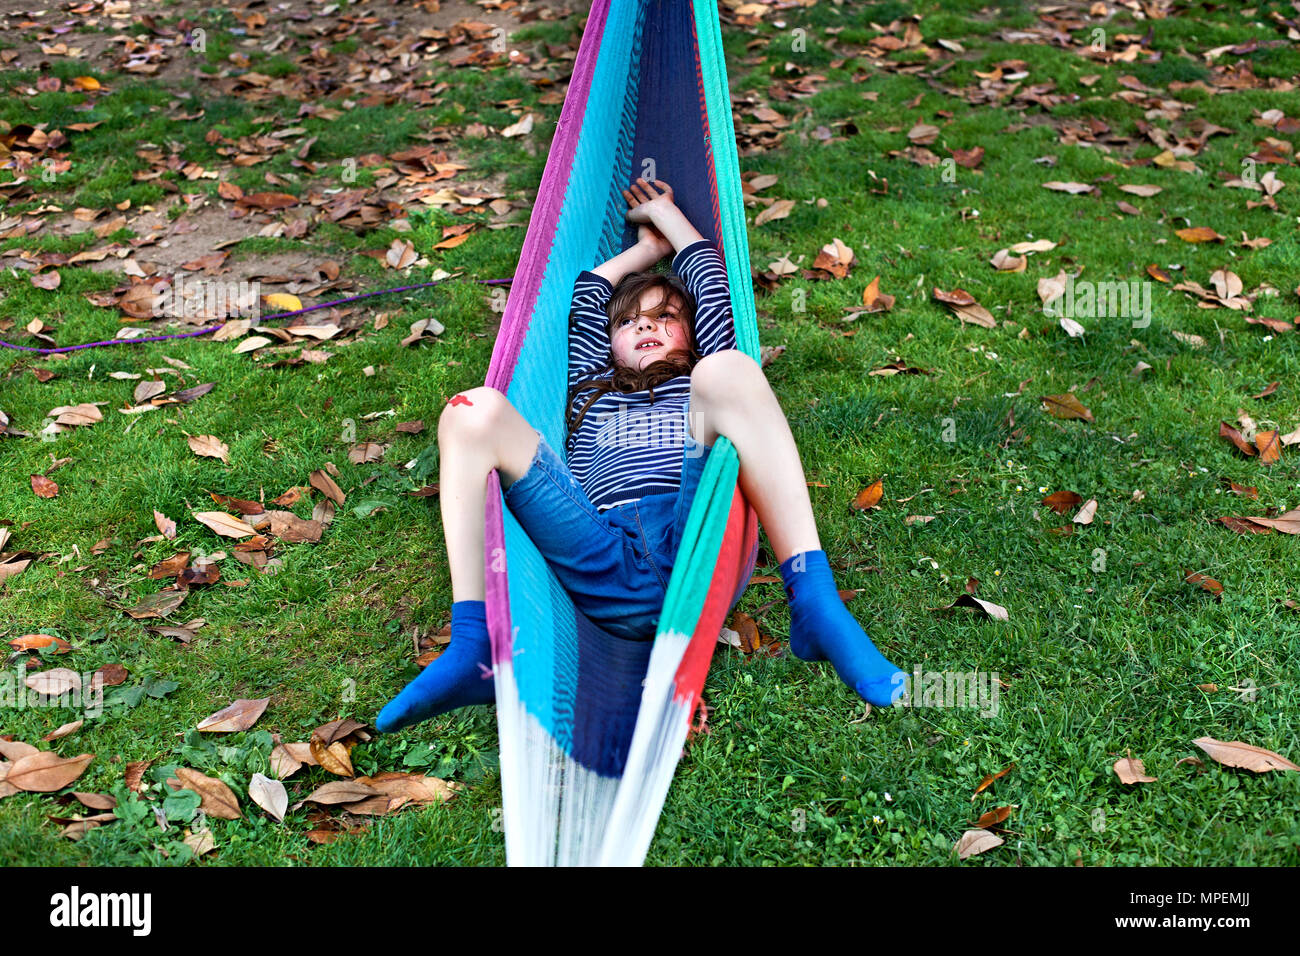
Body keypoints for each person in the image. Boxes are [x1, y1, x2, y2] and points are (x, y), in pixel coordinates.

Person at [375, 179, 903, 733]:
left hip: (693, 537)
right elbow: (589, 293)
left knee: (729, 372)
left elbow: (709, 277)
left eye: (666, 317)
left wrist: (666, 215)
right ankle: (473, 642)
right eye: (628, 322)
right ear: (609, 342)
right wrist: (647, 251)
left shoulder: (699, 374)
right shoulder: (591, 385)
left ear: (692, 332)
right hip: (603, 557)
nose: (646, 324)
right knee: (471, 410)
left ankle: (814, 599)